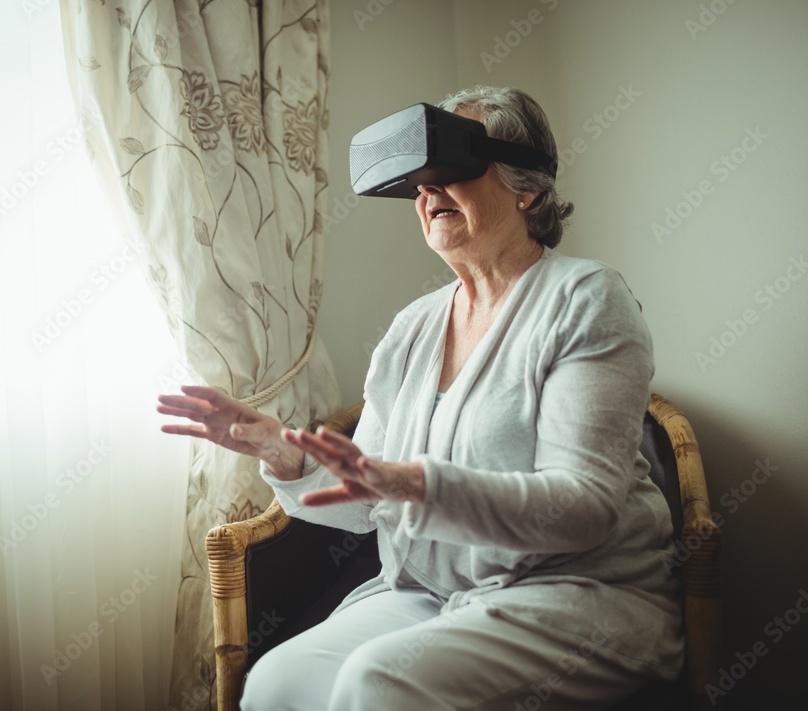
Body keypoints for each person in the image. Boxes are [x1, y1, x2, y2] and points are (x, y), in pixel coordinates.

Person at [157, 85, 683, 710]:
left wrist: (414, 483)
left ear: (528, 188)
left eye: (449, 172)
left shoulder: (586, 299)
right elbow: (366, 500)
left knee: (378, 684)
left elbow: (582, 508)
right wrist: (283, 452)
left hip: (574, 593)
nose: (427, 193)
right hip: (431, 592)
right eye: (417, 182)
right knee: (277, 683)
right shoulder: (413, 328)